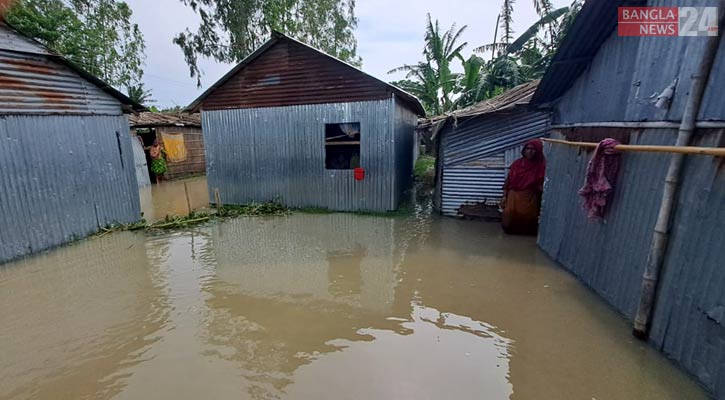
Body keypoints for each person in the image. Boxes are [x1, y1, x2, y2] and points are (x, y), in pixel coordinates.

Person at [501, 139, 546, 235]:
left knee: (525, 219)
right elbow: (508, 181)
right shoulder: (517, 164)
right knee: (508, 217)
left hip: (528, 196)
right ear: (524, 150)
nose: (530, 151)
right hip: (512, 196)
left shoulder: (540, 166)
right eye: (528, 148)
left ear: (538, 151)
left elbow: (541, 184)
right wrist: (504, 196)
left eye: (533, 149)